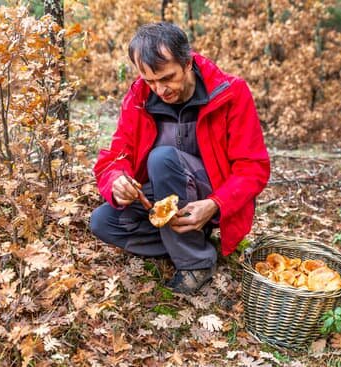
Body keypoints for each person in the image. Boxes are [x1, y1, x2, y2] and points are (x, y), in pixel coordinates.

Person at [90, 22, 270, 294]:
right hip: (161, 197)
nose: (160, 90)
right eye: (150, 81)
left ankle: (195, 262)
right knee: (103, 222)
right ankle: (189, 240)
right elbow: (117, 156)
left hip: (211, 197)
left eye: (167, 78)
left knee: (162, 158)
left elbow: (253, 168)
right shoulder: (139, 96)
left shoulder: (230, 93)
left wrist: (214, 204)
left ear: (187, 62)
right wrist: (117, 180)